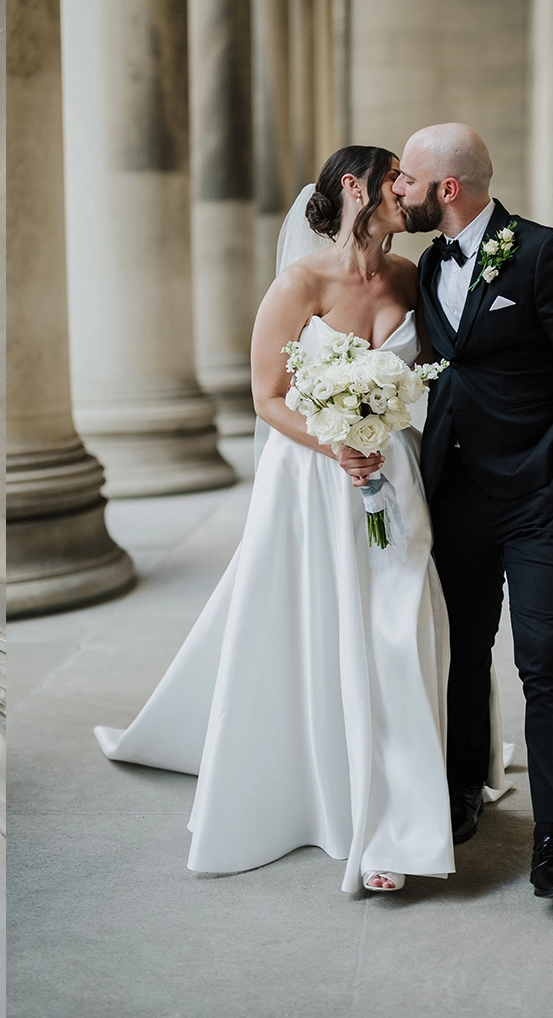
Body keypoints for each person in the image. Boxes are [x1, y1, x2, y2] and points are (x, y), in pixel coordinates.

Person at [97, 145, 461, 894]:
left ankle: (397, 825)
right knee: (321, 625)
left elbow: (439, 367)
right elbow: (267, 396)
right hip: (311, 478)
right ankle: (323, 789)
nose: (406, 190)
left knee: (397, 626)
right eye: (395, 176)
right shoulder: (297, 283)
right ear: (355, 187)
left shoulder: (408, 277)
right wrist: (335, 442)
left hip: (390, 473)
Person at [393, 122, 553, 903]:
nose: (401, 193)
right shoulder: (425, 265)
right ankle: (461, 795)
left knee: (545, 659)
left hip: (539, 497)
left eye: (410, 182)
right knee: (465, 653)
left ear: (447, 189)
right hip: (453, 494)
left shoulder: (542, 251)